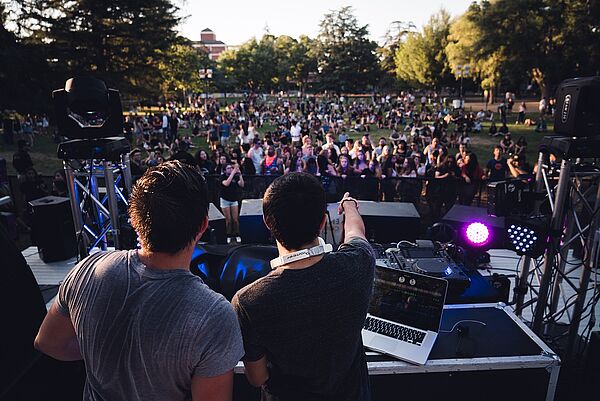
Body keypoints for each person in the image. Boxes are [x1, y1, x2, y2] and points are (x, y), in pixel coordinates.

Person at [34, 161, 243, 401]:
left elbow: (48, 342)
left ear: (133, 219)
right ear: (203, 225)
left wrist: (101, 352)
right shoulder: (214, 316)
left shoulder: (87, 270)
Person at [232, 173, 375, 401]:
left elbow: (257, 378)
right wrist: (349, 206)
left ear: (267, 222)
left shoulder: (248, 301)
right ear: (322, 222)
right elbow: (355, 232)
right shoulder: (359, 263)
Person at [220, 162, 245, 243]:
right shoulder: (222, 177)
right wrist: (233, 173)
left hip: (234, 200)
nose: (230, 169)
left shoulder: (235, 177)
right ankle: (229, 235)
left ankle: (237, 234)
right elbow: (226, 183)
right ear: (224, 170)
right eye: (228, 168)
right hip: (225, 200)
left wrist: (240, 175)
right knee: (228, 220)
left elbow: (241, 185)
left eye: (231, 168)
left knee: (235, 219)